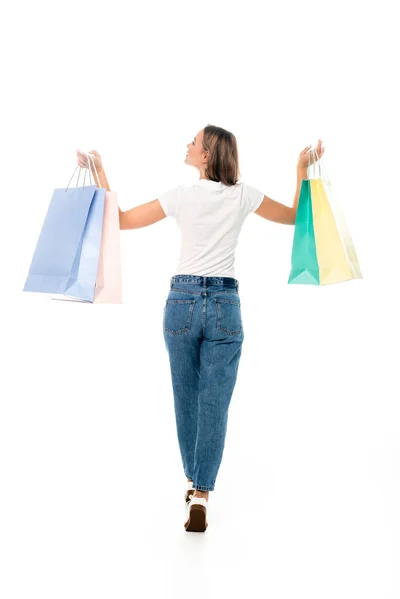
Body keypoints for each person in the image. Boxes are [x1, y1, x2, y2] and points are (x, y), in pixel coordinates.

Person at [76, 125, 324, 532]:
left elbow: (118, 220)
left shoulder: (181, 195)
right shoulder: (244, 194)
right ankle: (203, 492)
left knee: (186, 398)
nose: (187, 146)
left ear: (207, 155)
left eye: (193, 142)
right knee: (215, 403)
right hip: (225, 305)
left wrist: (100, 172)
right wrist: (301, 170)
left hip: (181, 304)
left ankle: (194, 481)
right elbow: (297, 217)